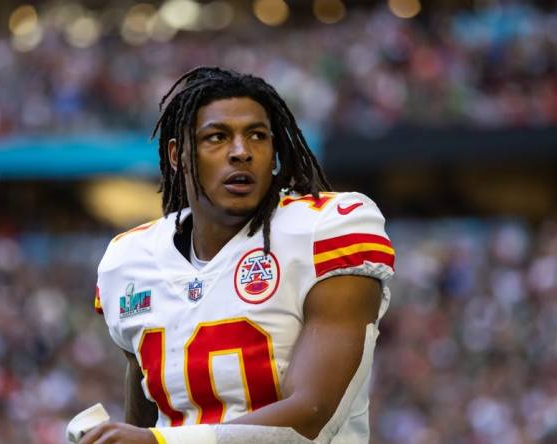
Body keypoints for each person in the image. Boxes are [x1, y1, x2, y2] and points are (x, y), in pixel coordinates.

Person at [82, 67, 395, 444]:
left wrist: (160, 443)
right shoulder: (129, 259)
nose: (241, 152)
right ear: (177, 155)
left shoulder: (325, 229)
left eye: (258, 136)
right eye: (217, 137)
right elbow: (146, 421)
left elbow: (311, 416)